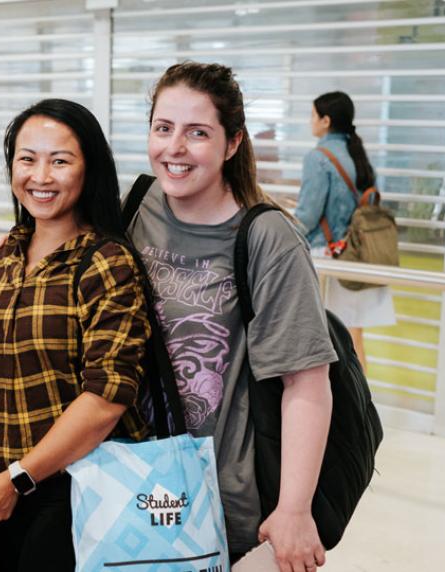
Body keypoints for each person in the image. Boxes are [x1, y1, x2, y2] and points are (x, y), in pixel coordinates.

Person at [125, 62, 336, 570]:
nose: (174, 148)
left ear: (233, 143)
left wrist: (294, 508)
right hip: (126, 478)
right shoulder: (134, 204)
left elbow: (306, 382)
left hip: (217, 497)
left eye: (198, 133)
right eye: (163, 128)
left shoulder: (266, 238)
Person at [0, 99, 151, 571]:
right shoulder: (0, 259)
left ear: (89, 170)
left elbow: (106, 398)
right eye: (27, 159)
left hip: (73, 497)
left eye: (59, 161)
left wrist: (20, 478)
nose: (40, 176)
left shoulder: (107, 262)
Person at [294, 91, 396, 369]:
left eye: (312, 115)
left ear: (325, 120)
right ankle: (361, 407)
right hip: (356, 256)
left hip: (328, 258)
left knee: (323, 339)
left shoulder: (318, 158)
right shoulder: (358, 155)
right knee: (353, 337)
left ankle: (334, 409)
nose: (310, 121)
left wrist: (283, 236)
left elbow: (308, 215)